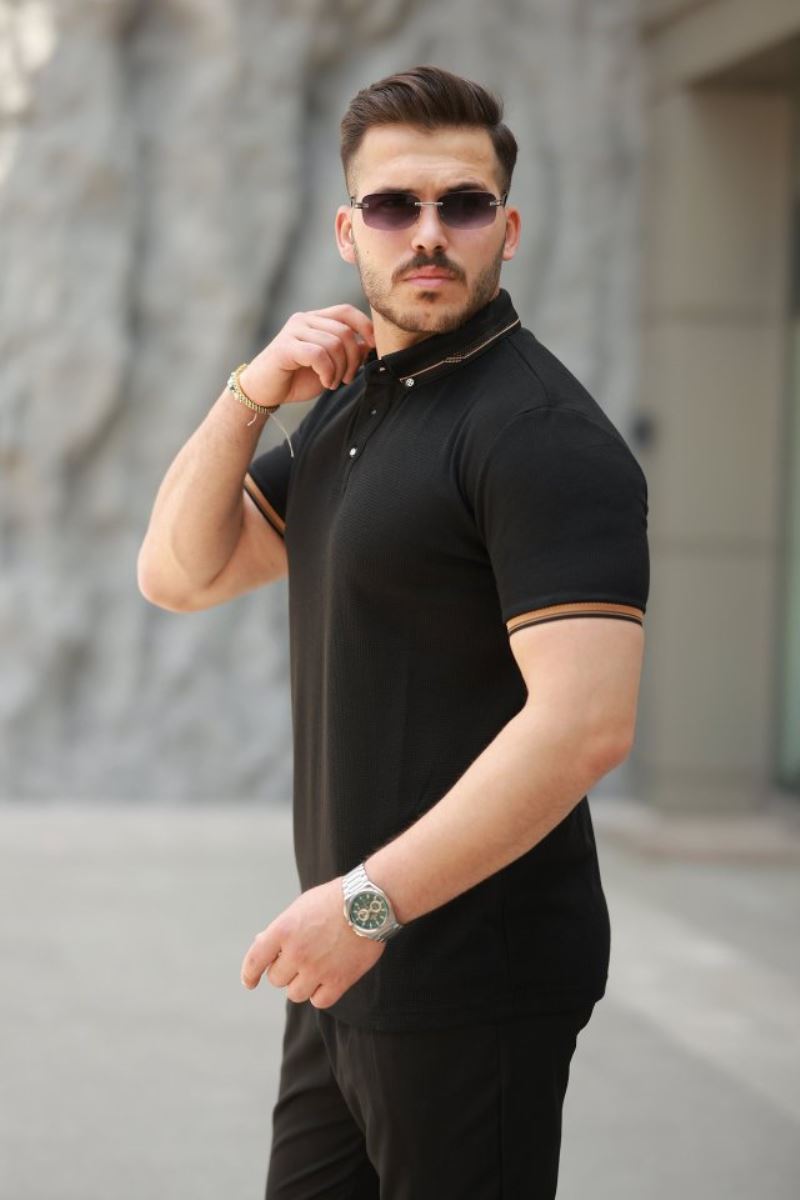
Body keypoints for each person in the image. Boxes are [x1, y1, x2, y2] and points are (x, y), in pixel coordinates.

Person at [137, 63, 649, 1200]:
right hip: (350, 961)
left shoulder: (539, 435)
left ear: (506, 228)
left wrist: (368, 904)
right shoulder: (356, 404)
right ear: (347, 230)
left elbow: (585, 726)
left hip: (469, 975)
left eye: (462, 204)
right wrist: (250, 392)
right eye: (392, 205)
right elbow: (178, 573)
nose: (427, 233)